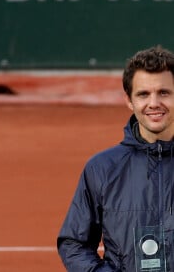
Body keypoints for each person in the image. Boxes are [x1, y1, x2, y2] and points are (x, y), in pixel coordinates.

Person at [57, 46, 174, 271]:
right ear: (129, 100)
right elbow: (74, 243)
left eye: (164, 92)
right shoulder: (102, 168)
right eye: (143, 94)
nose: (153, 103)